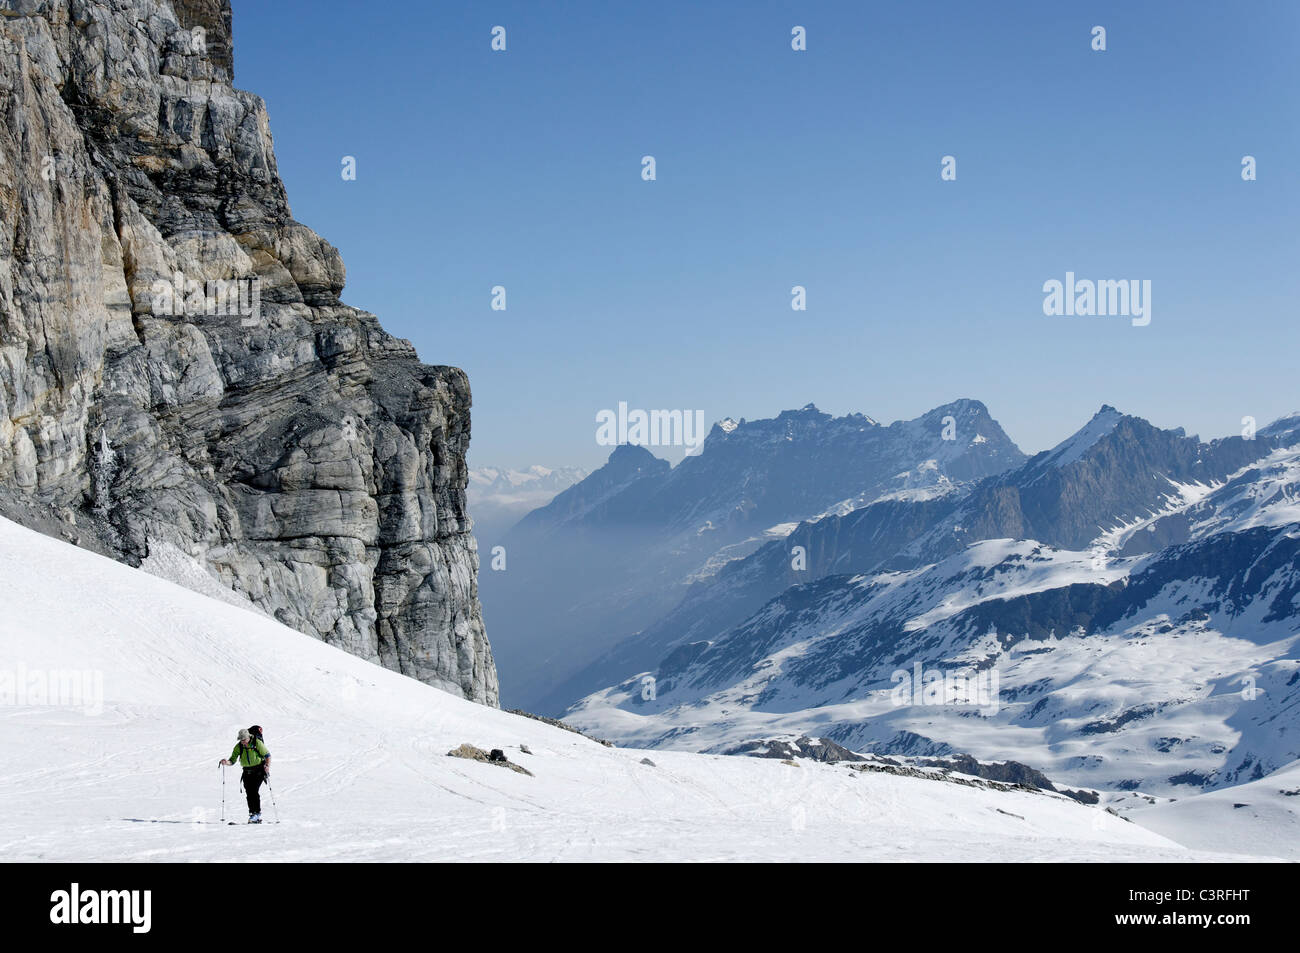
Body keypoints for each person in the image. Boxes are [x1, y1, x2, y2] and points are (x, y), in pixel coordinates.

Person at [220, 727, 271, 823]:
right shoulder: (239, 746)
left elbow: (267, 755)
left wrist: (267, 766)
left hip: (259, 770)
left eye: (244, 739)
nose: (242, 741)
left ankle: (256, 814)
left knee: (254, 791)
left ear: (248, 737)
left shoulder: (257, 743)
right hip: (246, 771)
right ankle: (253, 814)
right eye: (241, 740)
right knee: (249, 792)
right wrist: (226, 762)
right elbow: (233, 760)